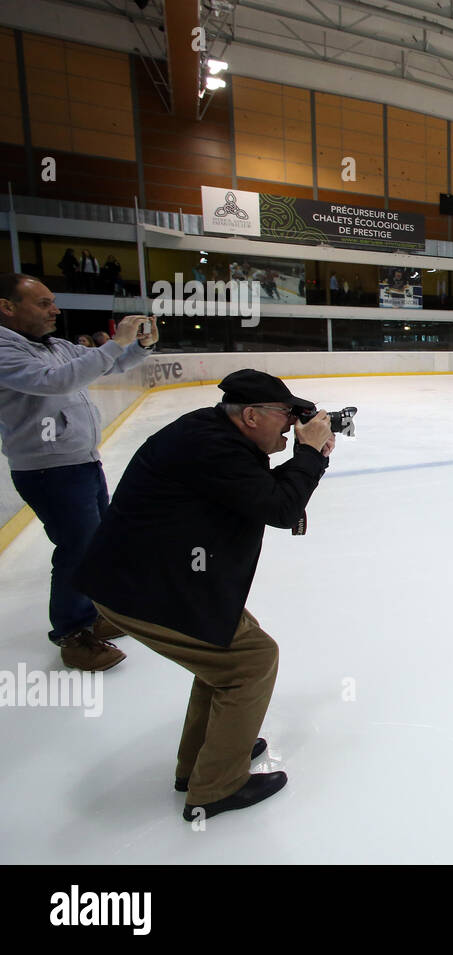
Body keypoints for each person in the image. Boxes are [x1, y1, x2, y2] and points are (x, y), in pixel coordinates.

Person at [74, 370, 336, 821]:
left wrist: (311, 456)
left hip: (160, 576)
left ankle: (205, 759)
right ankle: (215, 786)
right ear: (251, 415)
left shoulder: (216, 432)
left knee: (225, 654)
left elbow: (268, 496)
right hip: (145, 586)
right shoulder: (212, 447)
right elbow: (278, 507)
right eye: (286, 416)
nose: (292, 425)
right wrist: (310, 452)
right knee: (250, 661)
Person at [0, 273, 156, 669]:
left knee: (96, 542)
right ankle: (71, 631)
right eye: (43, 303)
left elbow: (103, 367)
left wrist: (140, 347)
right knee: (77, 548)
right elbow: (57, 382)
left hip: (81, 460)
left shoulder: (53, 345)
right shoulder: (5, 351)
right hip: (48, 470)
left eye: (53, 301)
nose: (55, 309)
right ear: (7, 307)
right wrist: (118, 341)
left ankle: (90, 614)